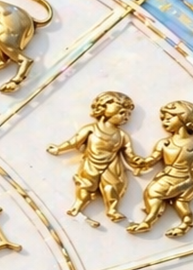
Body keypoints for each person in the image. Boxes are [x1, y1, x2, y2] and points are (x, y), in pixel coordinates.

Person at [127, 99, 193, 237]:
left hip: (188, 179)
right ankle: (182, 222)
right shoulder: (164, 143)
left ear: (184, 118)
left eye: (169, 117)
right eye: (163, 119)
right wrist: (141, 162)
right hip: (169, 176)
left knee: (157, 193)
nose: (165, 121)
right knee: (174, 201)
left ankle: (150, 222)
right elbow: (152, 159)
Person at [47, 91, 140, 227]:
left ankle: (112, 210)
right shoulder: (91, 129)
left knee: (112, 188)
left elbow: (129, 153)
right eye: (122, 112)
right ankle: (78, 205)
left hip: (112, 166)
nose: (125, 117)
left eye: (128, 114)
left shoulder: (122, 135)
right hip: (91, 164)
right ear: (105, 109)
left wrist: (138, 162)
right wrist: (59, 149)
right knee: (86, 186)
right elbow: (74, 141)